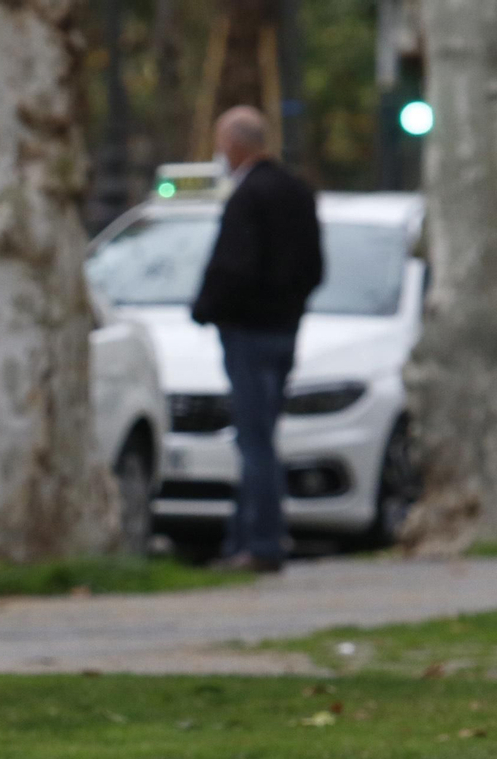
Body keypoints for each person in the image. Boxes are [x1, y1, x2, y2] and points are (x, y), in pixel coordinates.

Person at [192, 106, 324, 573]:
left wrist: (206, 309)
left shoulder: (248, 197)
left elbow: (234, 267)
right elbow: (314, 267)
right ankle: (243, 538)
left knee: (254, 443)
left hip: (248, 333)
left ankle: (260, 543)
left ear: (233, 144)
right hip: (284, 330)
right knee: (262, 437)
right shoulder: (297, 192)